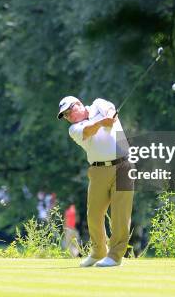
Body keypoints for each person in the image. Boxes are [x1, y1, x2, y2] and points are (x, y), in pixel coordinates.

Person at [58, 96, 134, 267]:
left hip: (124, 165)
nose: (69, 117)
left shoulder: (98, 104)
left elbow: (109, 110)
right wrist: (102, 123)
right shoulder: (74, 129)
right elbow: (88, 131)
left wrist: (108, 118)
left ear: (78, 104)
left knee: (120, 214)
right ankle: (99, 251)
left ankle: (115, 256)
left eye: (69, 112)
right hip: (98, 170)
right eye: (65, 116)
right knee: (94, 214)